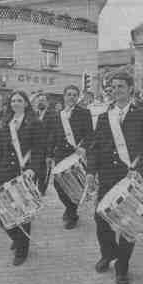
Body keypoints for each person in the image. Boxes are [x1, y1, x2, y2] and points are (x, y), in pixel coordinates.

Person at [86, 72, 143, 284]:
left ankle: (122, 266)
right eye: (113, 87)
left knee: (128, 223)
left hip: (131, 176)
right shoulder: (104, 116)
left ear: (130, 88)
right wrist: (90, 171)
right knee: (101, 219)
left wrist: (140, 169)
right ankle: (108, 254)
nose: (116, 90)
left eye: (120, 86)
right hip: (108, 175)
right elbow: (95, 147)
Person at [0, 90, 45, 266]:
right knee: (3, 212)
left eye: (19, 100)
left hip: (24, 172)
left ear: (26, 103)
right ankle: (17, 238)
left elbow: (40, 149)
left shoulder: (35, 123)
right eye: (12, 101)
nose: (15, 103)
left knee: (23, 214)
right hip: (4, 171)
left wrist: (33, 169)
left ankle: (22, 249)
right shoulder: (5, 122)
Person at [47, 85, 93, 230]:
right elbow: (52, 136)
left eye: (74, 94)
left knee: (75, 183)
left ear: (78, 97)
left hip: (77, 155)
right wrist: (49, 154)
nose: (71, 97)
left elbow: (90, 135)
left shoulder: (84, 113)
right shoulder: (57, 115)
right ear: (64, 96)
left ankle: (72, 213)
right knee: (58, 185)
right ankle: (69, 207)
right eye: (69, 94)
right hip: (61, 155)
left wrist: (84, 147)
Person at [34, 93, 57, 194]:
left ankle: (41, 192)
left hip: (45, 151)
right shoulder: (33, 115)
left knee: (43, 174)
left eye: (43, 100)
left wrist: (49, 154)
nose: (40, 102)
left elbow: (52, 136)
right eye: (39, 100)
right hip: (33, 151)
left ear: (47, 103)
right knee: (32, 173)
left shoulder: (53, 115)